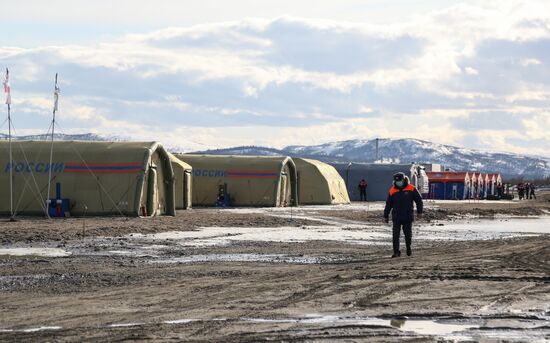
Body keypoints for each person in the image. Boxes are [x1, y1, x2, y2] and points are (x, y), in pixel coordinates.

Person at [383, 173, 423, 258]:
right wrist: (385, 215)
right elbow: (388, 204)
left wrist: (419, 212)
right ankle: (396, 252)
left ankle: (408, 248)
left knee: (408, 235)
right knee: (395, 235)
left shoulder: (411, 188)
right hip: (396, 217)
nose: (398, 183)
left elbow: (419, 200)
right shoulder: (392, 190)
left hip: (407, 217)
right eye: (397, 181)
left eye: (400, 181)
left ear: (404, 180)